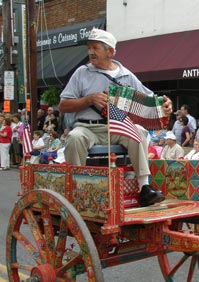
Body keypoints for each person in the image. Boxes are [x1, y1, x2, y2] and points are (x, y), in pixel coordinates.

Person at [59, 28, 171, 207]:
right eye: (89, 48)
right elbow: (63, 105)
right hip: (87, 128)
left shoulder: (126, 75)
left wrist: (166, 104)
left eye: (95, 48)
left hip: (116, 127)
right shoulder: (81, 72)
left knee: (139, 131)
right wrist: (89, 99)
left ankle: (145, 187)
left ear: (110, 51)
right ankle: (78, 189)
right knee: (74, 137)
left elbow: (151, 99)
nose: (90, 52)